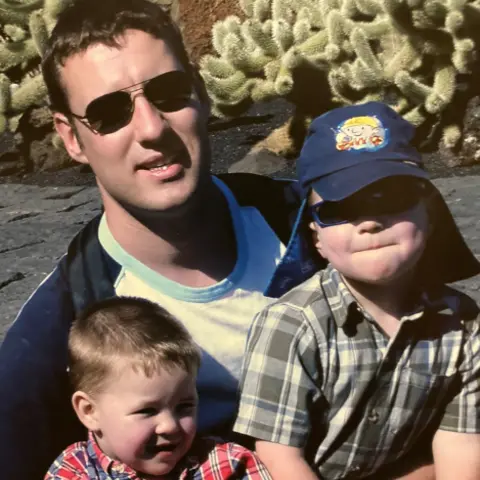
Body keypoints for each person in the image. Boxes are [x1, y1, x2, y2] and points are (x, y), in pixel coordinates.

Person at [0, 0, 322, 478]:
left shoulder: (323, 226)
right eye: (109, 113)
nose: (151, 128)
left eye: (169, 91)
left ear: (202, 92)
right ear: (70, 138)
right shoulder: (53, 339)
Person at [233, 102, 480, 479]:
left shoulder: (462, 324)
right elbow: (278, 455)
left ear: (429, 214)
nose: (368, 221)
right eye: (340, 207)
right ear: (315, 237)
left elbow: (459, 444)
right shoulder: (291, 325)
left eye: (391, 199)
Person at [45, 296, 271, 479]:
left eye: (184, 407)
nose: (170, 426)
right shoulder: (73, 472)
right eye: (147, 410)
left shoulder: (226, 466)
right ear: (89, 411)